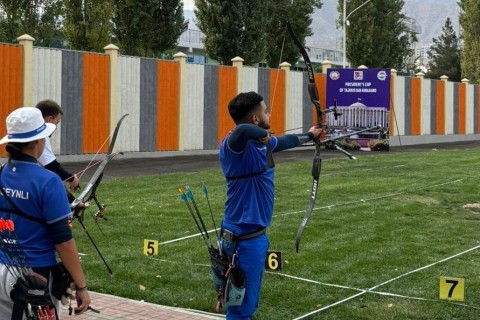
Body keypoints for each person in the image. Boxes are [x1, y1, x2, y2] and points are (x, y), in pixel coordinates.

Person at [218, 92, 322, 319]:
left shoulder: (259, 144)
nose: (269, 113)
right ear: (256, 119)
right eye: (265, 111)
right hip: (242, 240)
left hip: (251, 236)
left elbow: (283, 142)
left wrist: (310, 135)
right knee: (240, 307)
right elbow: (243, 131)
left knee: (245, 303)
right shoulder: (232, 146)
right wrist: (262, 134)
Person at [0, 107, 91, 318]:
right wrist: (82, 286)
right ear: (38, 141)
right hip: (34, 275)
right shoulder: (49, 181)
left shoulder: (2, 173)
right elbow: (63, 241)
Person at [36, 99, 80, 193]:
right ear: (49, 119)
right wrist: (72, 179)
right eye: (57, 122)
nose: (56, 127)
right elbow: (52, 166)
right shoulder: (40, 136)